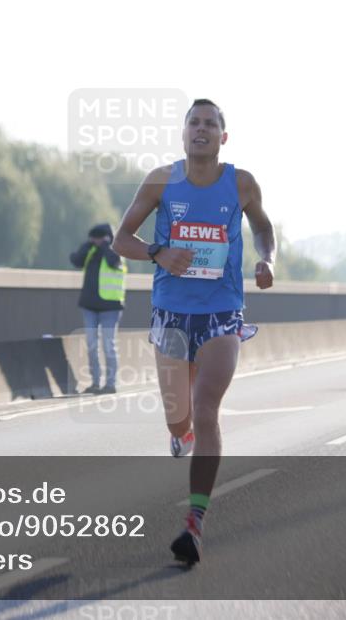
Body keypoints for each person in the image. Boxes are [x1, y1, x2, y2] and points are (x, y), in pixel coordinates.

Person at [111, 99, 275, 564]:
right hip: (171, 313)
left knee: (206, 409)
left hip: (222, 313)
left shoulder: (240, 183)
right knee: (178, 417)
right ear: (183, 134)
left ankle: (195, 522)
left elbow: (264, 229)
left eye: (210, 124)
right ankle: (179, 434)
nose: (201, 130)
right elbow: (124, 238)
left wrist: (267, 260)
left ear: (223, 137)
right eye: (193, 123)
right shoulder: (162, 180)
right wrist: (159, 252)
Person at [69, 223, 127, 394]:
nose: (93, 241)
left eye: (96, 237)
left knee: (108, 345)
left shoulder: (116, 250)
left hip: (110, 306)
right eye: (91, 238)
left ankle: (110, 384)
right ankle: (95, 382)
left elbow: (113, 262)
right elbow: (76, 261)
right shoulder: (91, 250)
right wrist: (86, 247)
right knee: (92, 345)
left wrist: (106, 246)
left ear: (106, 237)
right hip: (89, 306)